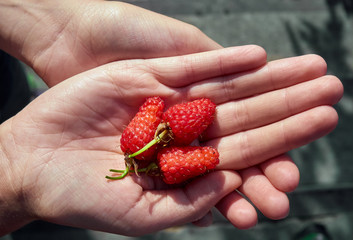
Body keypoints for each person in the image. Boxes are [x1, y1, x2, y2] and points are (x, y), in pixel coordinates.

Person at [0, 0, 343, 237]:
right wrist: (15, 175)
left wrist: (51, 27)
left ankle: (22, 104)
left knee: (9, 93)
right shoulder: (146, 136)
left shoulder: (147, 136)